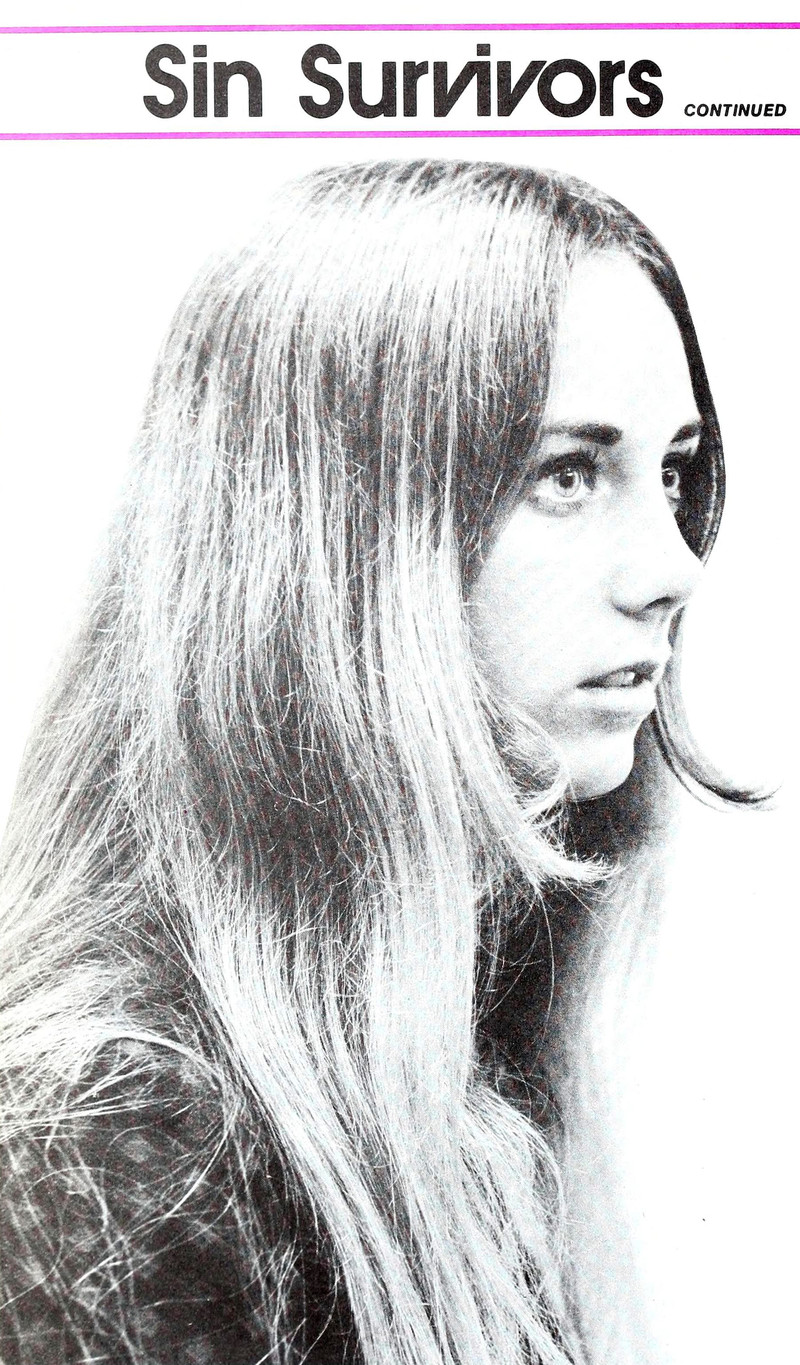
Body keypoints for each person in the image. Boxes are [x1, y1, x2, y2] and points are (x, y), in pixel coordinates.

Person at [0, 160, 759, 1365]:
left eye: (671, 472)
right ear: (334, 537)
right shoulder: (110, 1125)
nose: (671, 567)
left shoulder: (468, 1053)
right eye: (567, 474)